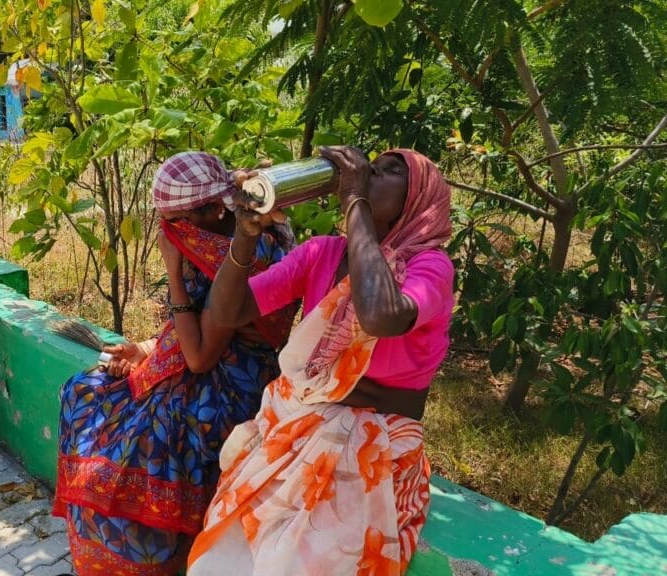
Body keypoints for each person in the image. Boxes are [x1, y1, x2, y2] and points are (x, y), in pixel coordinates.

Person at [187, 146, 454, 576]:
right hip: (295, 425)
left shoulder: (431, 267)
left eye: (388, 172)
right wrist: (245, 233)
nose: (369, 173)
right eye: (371, 167)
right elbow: (227, 313)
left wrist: (354, 201)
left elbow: (381, 316)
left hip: (375, 447)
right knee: (222, 556)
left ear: (418, 201)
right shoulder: (324, 254)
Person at [52, 151, 299, 576]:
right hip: (207, 352)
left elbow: (201, 357)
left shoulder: (240, 252)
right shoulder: (217, 234)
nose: (172, 231)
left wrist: (172, 269)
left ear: (213, 208)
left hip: (232, 378)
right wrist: (147, 348)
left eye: (179, 220)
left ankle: (159, 560)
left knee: (147, 440)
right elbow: (194, 329)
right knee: (84, 391)